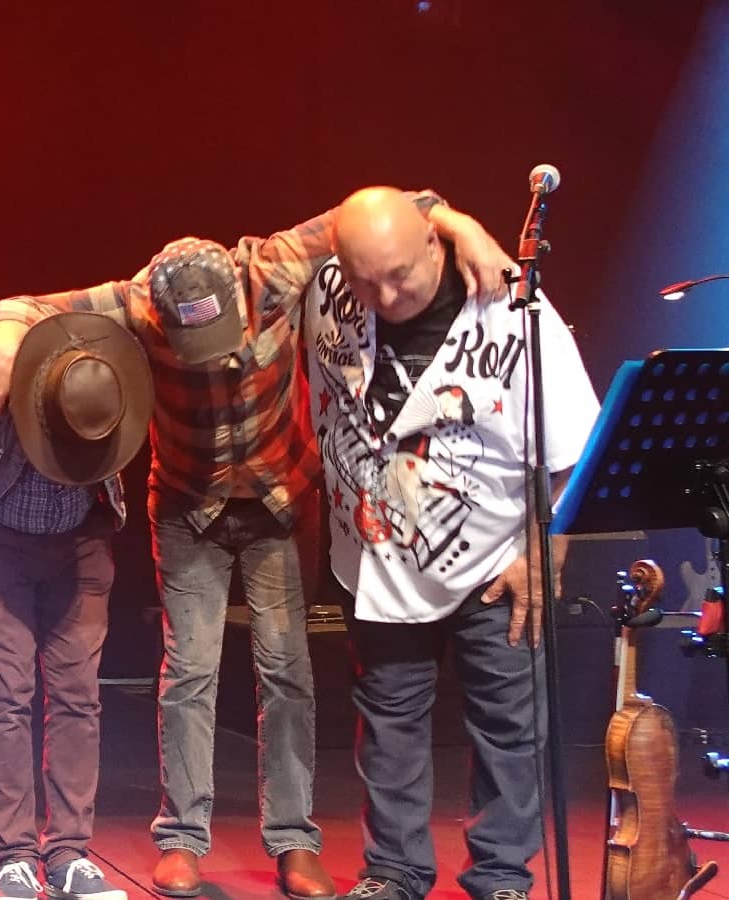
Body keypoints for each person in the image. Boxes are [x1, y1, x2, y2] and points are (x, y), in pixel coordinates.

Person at [0, 197, 515, 899]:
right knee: (189, 672)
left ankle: (293, 839)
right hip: (189, 505)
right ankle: (181, 839)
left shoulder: (275, 265)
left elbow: (403, 206)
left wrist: (464, 228)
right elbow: (17, 305)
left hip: (282, 500)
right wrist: (9, 348)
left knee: (287, 670)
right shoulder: (136, 303)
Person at [303, 187, 599, 900]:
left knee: (508, 727)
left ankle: (501, 874)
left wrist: (544, 542)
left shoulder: (512, 308)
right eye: (366, 279)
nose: (386, 293)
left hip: (495, 559)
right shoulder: (327, 290)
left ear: (434, 246)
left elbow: (575, 446)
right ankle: (394, 871)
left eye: (401, 273)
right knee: (388, 724)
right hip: (378, 558)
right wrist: (450, 215)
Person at [0, 313, 150, 900]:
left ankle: (69, 853)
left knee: (77, 696)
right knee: (7, 693)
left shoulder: (105, 359)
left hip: (81, 539)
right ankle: (14, 856)